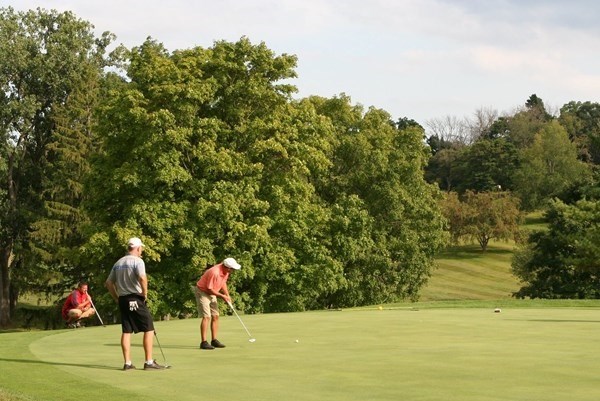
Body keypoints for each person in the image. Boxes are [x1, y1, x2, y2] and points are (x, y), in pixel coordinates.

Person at [105, 237, 164, 370]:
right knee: (149, 328)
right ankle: (149, 362)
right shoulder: (138, 261)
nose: (141, 250)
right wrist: (145, 293)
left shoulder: (118, 263)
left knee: (126, 331)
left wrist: (116, 298)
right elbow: (142, 277)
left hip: (123, 299)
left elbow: (108, 283)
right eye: (141, 248)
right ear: (137, 248)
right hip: (135, 298)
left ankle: (127, 363)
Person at [195, 257, 241, 350]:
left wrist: (227, 295)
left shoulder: (226, 271)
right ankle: (203, 342)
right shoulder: (214, 272)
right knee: (207, 316)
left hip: (213, 292)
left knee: (215, 316)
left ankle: (214, 340)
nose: (233, 271)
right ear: (227, 267)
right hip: (202, 292)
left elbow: (223, 283)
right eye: (232, 269)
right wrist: (222, 296)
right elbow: (209, 289)